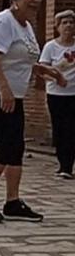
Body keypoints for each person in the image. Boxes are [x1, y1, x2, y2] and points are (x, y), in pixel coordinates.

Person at [0, 0, 64, 222]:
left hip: (14, 95)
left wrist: (48, 70)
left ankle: (12, 201)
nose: (35, 0)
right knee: (8, 146)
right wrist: (4, 88)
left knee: (17, 147)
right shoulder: (3, 22)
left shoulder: (26, 26)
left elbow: (22, 60)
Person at [40, 9, 75, 179]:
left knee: (72, 128)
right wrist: (56, 79)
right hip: (56, 94)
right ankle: (63, 164)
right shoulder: (50, 47)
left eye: (71, 22)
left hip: (74, 94)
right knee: (60, 128)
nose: (68, 25)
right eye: (64, 23)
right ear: (58, 26)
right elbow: (42, 71)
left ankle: (68, 165)